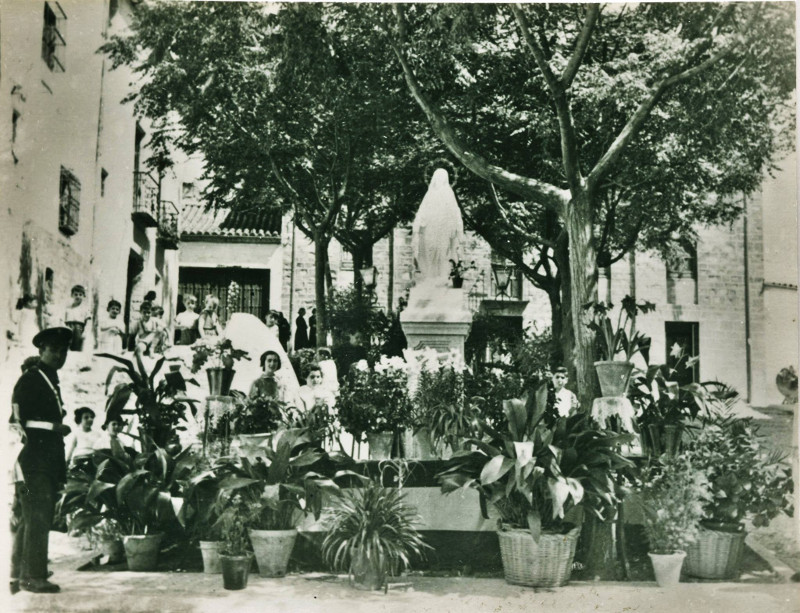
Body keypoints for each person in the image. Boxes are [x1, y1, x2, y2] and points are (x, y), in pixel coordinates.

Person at [10, 326, 73, 594]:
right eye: (53, 349)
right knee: (38, 513)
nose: (59, 355)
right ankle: (33, 576)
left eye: (63, 350)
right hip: (33, 461)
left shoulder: (49, 378)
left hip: (43, 459)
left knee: (28, 515)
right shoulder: (32, 379)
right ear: (41, 350)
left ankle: (17, 572)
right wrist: (54, 428)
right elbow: (16, 422)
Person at [411, 168, 464, 282]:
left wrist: (459, 230)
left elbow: (455, 212)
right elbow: (422, 211)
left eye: (442, 178)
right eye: (437, 177)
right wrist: (416, 228)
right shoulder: (429, 194)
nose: (439, 180)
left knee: (443, 252)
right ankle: (430, 277)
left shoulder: (449, 193)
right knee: (429, 251)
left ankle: (442, 277)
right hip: (430, 228)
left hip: (443, 229)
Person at [64, 285, 91, 352]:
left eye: (80, 294)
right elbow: (63, 319)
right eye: (75, 294)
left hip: (78, 329)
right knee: (66, 347)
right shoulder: (68, 307)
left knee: (76, 348)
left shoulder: (85, 308)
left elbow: (88, 322)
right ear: (72, 295)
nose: (78, 296)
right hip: (68, 328)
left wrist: (85, 332)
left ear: (84, 296)